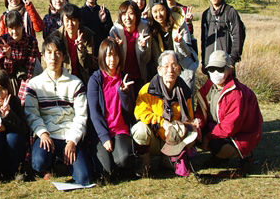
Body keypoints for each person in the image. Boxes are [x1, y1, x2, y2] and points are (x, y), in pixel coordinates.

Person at [24, 35, 92, 186]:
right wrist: (43, 133)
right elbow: (31, 113)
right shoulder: (35, 84)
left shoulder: (76, 83)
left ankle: (68, 161)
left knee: (84, 179)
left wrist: (73, 140)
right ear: (43, 56)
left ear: (64, 56)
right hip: (47, 135)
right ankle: (49, 164)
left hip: (68, 136)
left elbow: (81, 116)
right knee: (38, 163)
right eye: (49, 53)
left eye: (57, 53)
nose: (53, 57)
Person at [193, 50, 262, 172]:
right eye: (211, 69)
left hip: (239, 136)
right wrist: (198, 124)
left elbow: (230, 126)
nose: (215, 73)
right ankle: (220, 157)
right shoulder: (209, 86)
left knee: (216, 145)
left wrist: (208, 137)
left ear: (229, 69)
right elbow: (201, 110)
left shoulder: (236, 93)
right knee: (193, 135)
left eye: (220, 69)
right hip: (217, 128)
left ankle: (246, 155)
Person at [131, 50, 194, 178]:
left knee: (191, 131)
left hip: (173, 139)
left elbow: (189, 118)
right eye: (166, 66)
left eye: (174, 65)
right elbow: (139, 112)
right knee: (139, 129)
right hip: (154, 138)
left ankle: (169, 159)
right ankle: (144, 161)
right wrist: (162, 122)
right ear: (159, 70)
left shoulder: (185, 93)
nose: (170, 70)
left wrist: (181, 127)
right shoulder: (148, 90)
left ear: (179, 69)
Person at [86, 39, 136, 180]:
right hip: (101, 132)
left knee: (124, 159)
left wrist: (124, 94)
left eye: (115, 55)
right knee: (106, 173)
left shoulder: (125, 78)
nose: (112, 59)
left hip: (120, 130)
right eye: (108, 55)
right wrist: (104, 136)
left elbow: (130, 111)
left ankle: (120, 161)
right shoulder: (96, 79)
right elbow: (94, 111)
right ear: (102, 56)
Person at [146, 0, 197, 93]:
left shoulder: (179, 23)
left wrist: (179, 42)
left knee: (185, 101)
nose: (159, 15)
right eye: (155, 11)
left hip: (183, 68)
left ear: (166, 9)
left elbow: (187, 53)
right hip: (166, 71)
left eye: (161, 10)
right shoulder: (152, 28)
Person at [0, 10, 41, 103]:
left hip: (27, 73)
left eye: (17, 27)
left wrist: (22, 97)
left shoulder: (31, 41)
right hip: (11, 74)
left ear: (22, 25)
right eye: (11, 28)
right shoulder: (2, 41)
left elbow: (30, 69)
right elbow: (6, 71)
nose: (14, 32)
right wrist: (8, 56)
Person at [200, 0, 244, 73]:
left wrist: (232, 61)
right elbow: (204, 40)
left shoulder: (230, 12)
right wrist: (204, 62)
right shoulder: (206, 14)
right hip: (210, 64)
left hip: (226, 64)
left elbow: (237, 37)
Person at [109, 0, 151, 98]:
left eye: (131, 14)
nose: (127, 18)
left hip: (140, 77)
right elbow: (112, 59)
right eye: (124, 14)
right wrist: (117, 48)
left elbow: (147, 59)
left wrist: (143, 47)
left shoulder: (144, 31)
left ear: (137, 15)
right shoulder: (116, 32)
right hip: (122, 78)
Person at [47, 4, 94, 85]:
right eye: (67, 20)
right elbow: (47, 59)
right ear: (62, 21)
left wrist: (81, 49)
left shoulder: (87, 35)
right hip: (61, 80)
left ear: (79, 21)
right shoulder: (56, 35)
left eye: (73, 19)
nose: (70, 24)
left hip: (82, 80)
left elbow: (88, 63)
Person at [80, 0, 113, 69]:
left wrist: (103, 21)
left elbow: (109, 33)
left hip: (102, 53)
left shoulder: (104, 11)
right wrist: (88, 55)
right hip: (86, 54)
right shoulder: (80, 12)